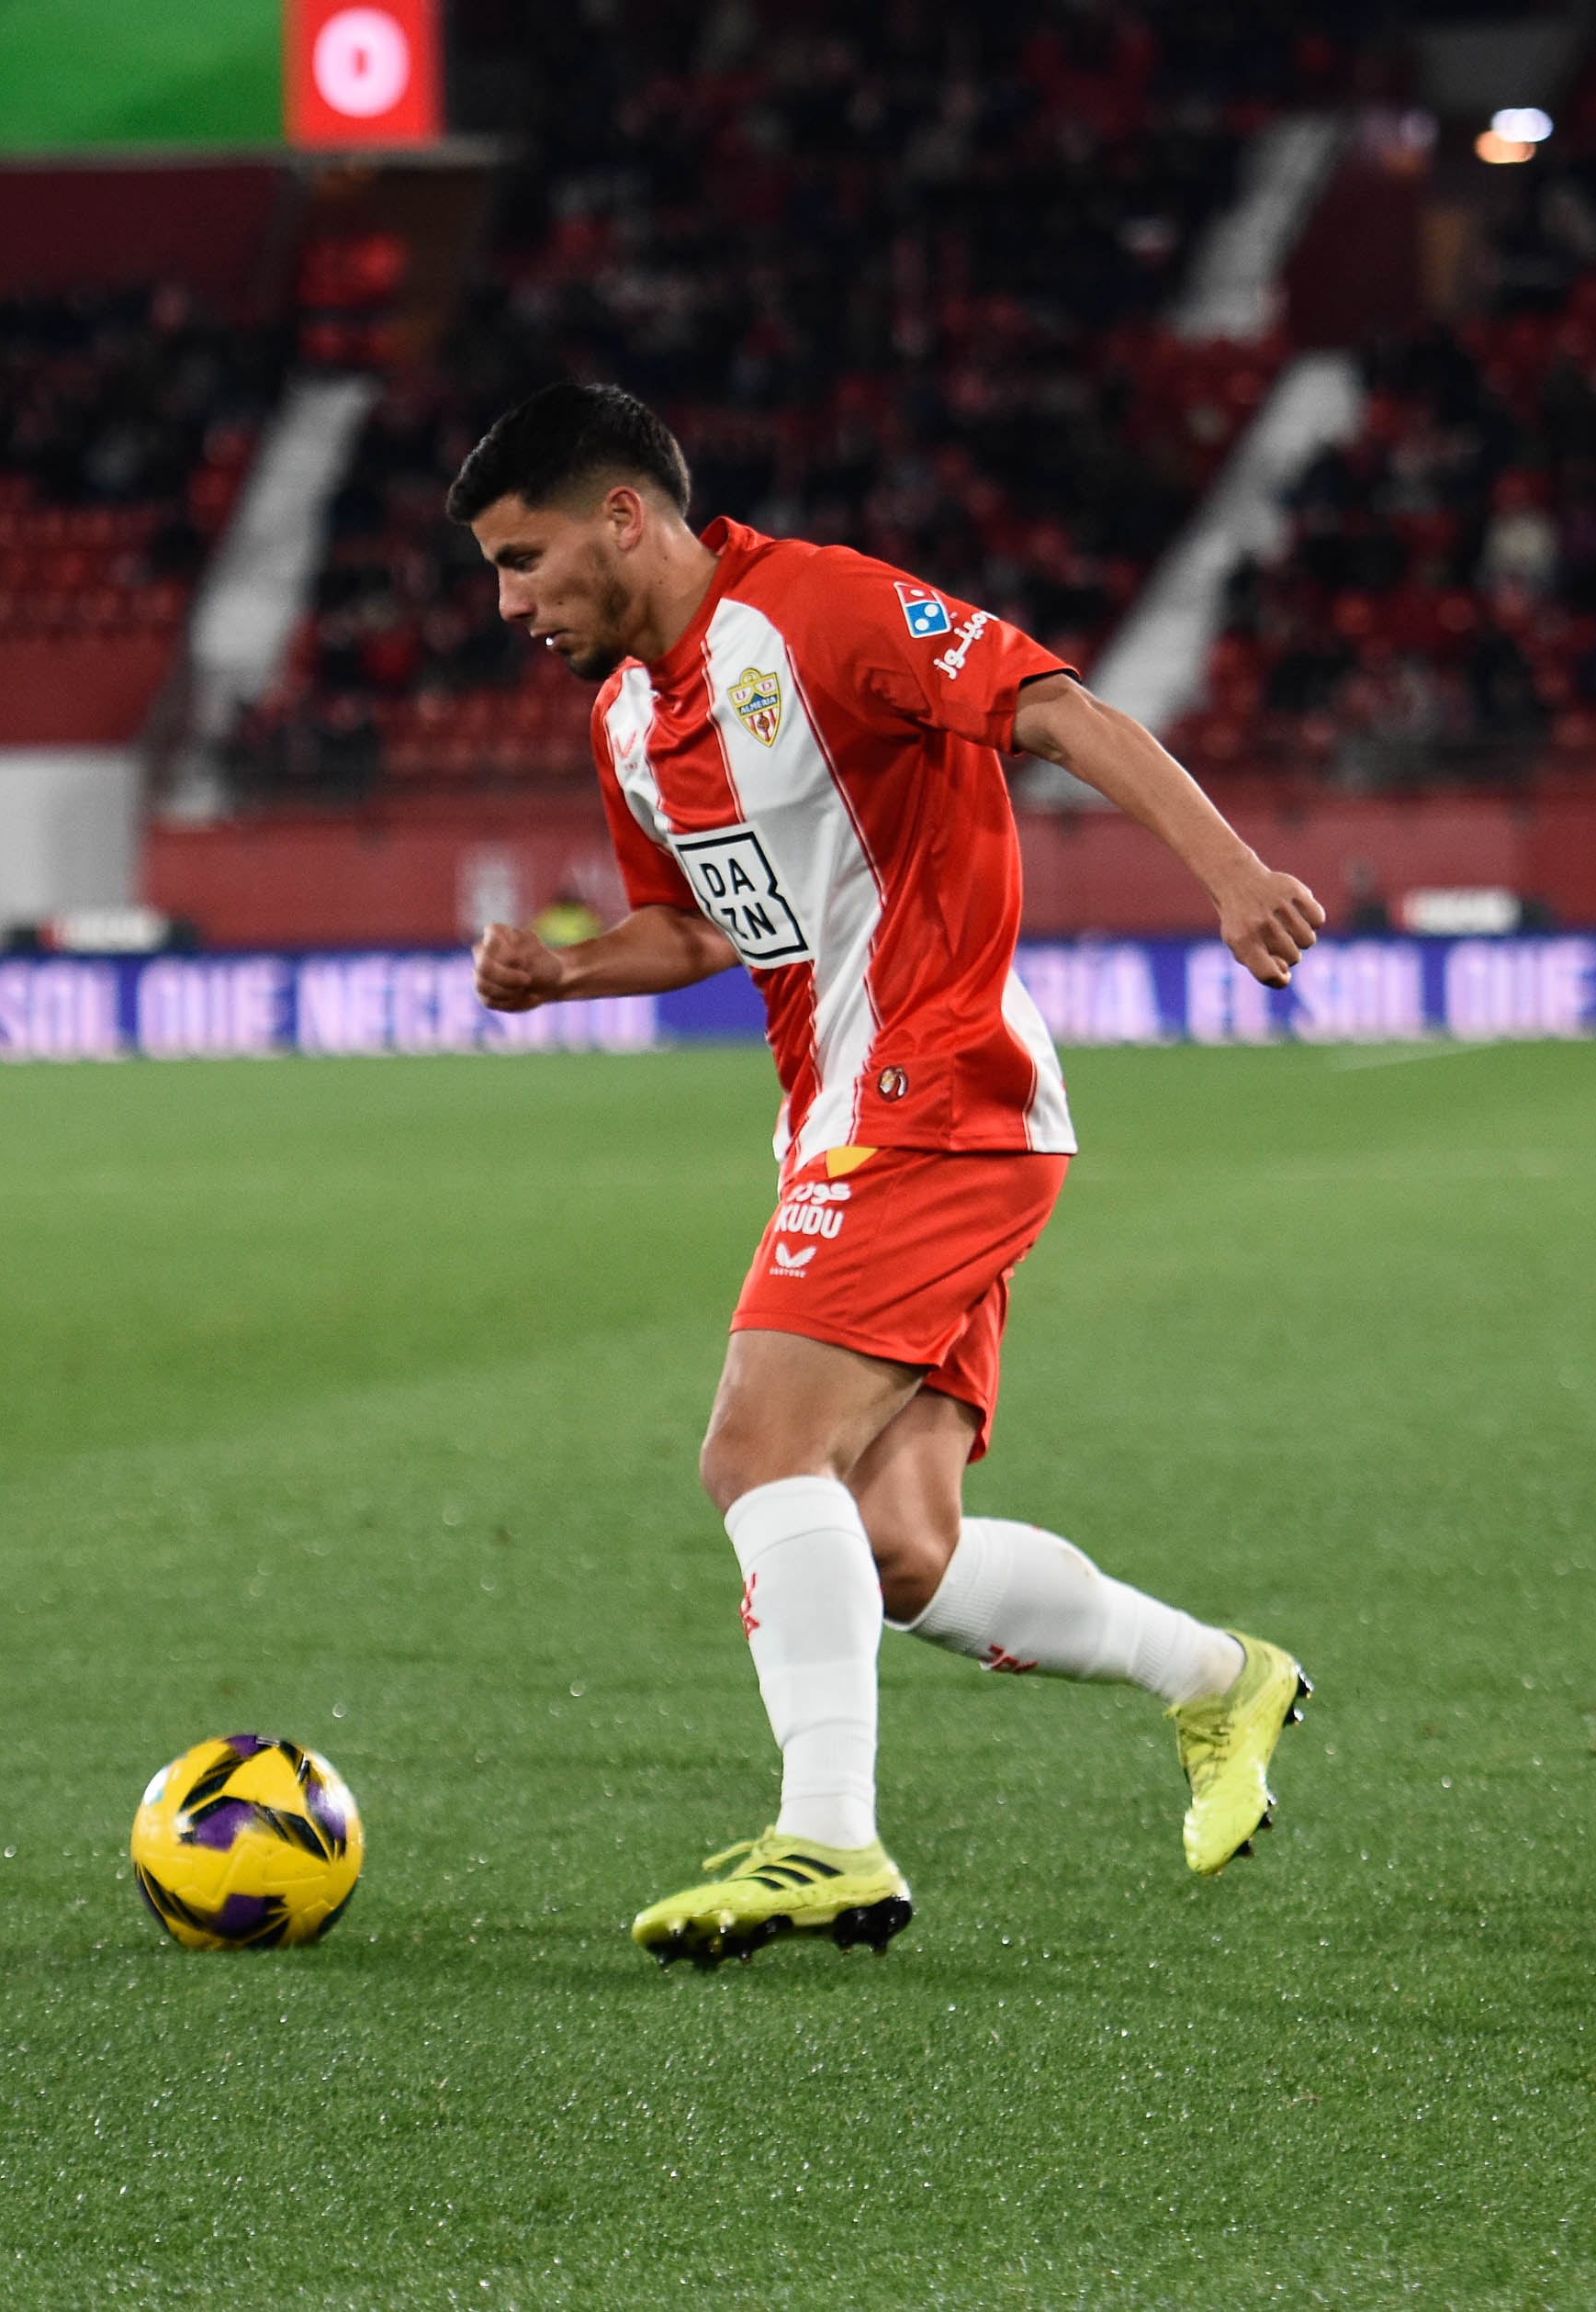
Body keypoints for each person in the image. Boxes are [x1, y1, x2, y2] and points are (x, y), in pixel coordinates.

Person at [453, 382, 1328, 1969]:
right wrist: (557, 975)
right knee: (899, 1548)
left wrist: (1232, 872)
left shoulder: (820, 610)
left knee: (752, 1447)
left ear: (623, 518)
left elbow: (1055, 708)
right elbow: (708, 924)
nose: (507, 603)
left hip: (938, 1091)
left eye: (523, 559)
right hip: (842, 1118)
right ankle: (1220, 1678)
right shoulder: (626, 720)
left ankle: (829, 1840)